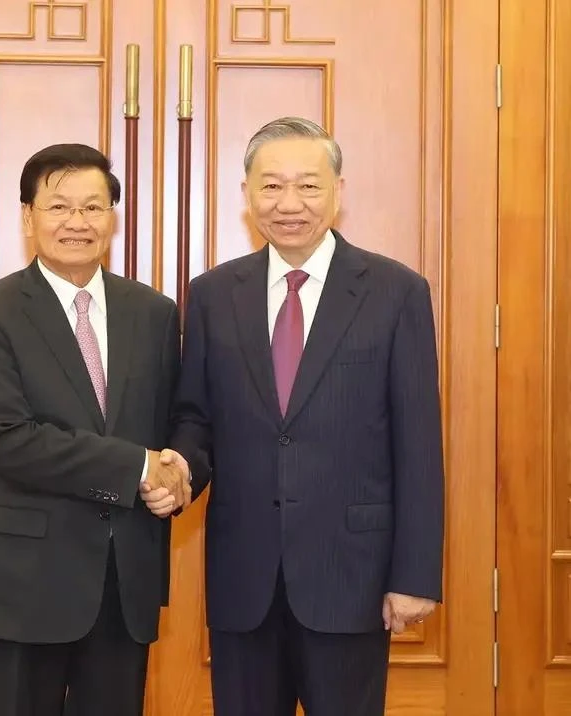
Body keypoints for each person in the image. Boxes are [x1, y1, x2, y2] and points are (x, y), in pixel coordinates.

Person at [158, 117, 445, 716]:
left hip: (352, 577)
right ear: (246, 194)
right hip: (244, 578)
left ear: (338, 191)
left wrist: (415, 574)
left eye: (309, 186)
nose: (289, 204)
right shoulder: (213, 294)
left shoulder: (396, 292)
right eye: (271, 186)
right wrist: (180, 466)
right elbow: (196, 416)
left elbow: (418, 444)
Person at [0, 143, 190, 716]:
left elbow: (179, 419)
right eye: (58, 207)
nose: (76, 222)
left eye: (93, 207)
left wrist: (178, 470)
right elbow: (10, 441)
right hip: (22, 583)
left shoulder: (154, 313)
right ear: (28, 216)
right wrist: (137, 467)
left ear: (113, 217)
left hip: (122, 582)